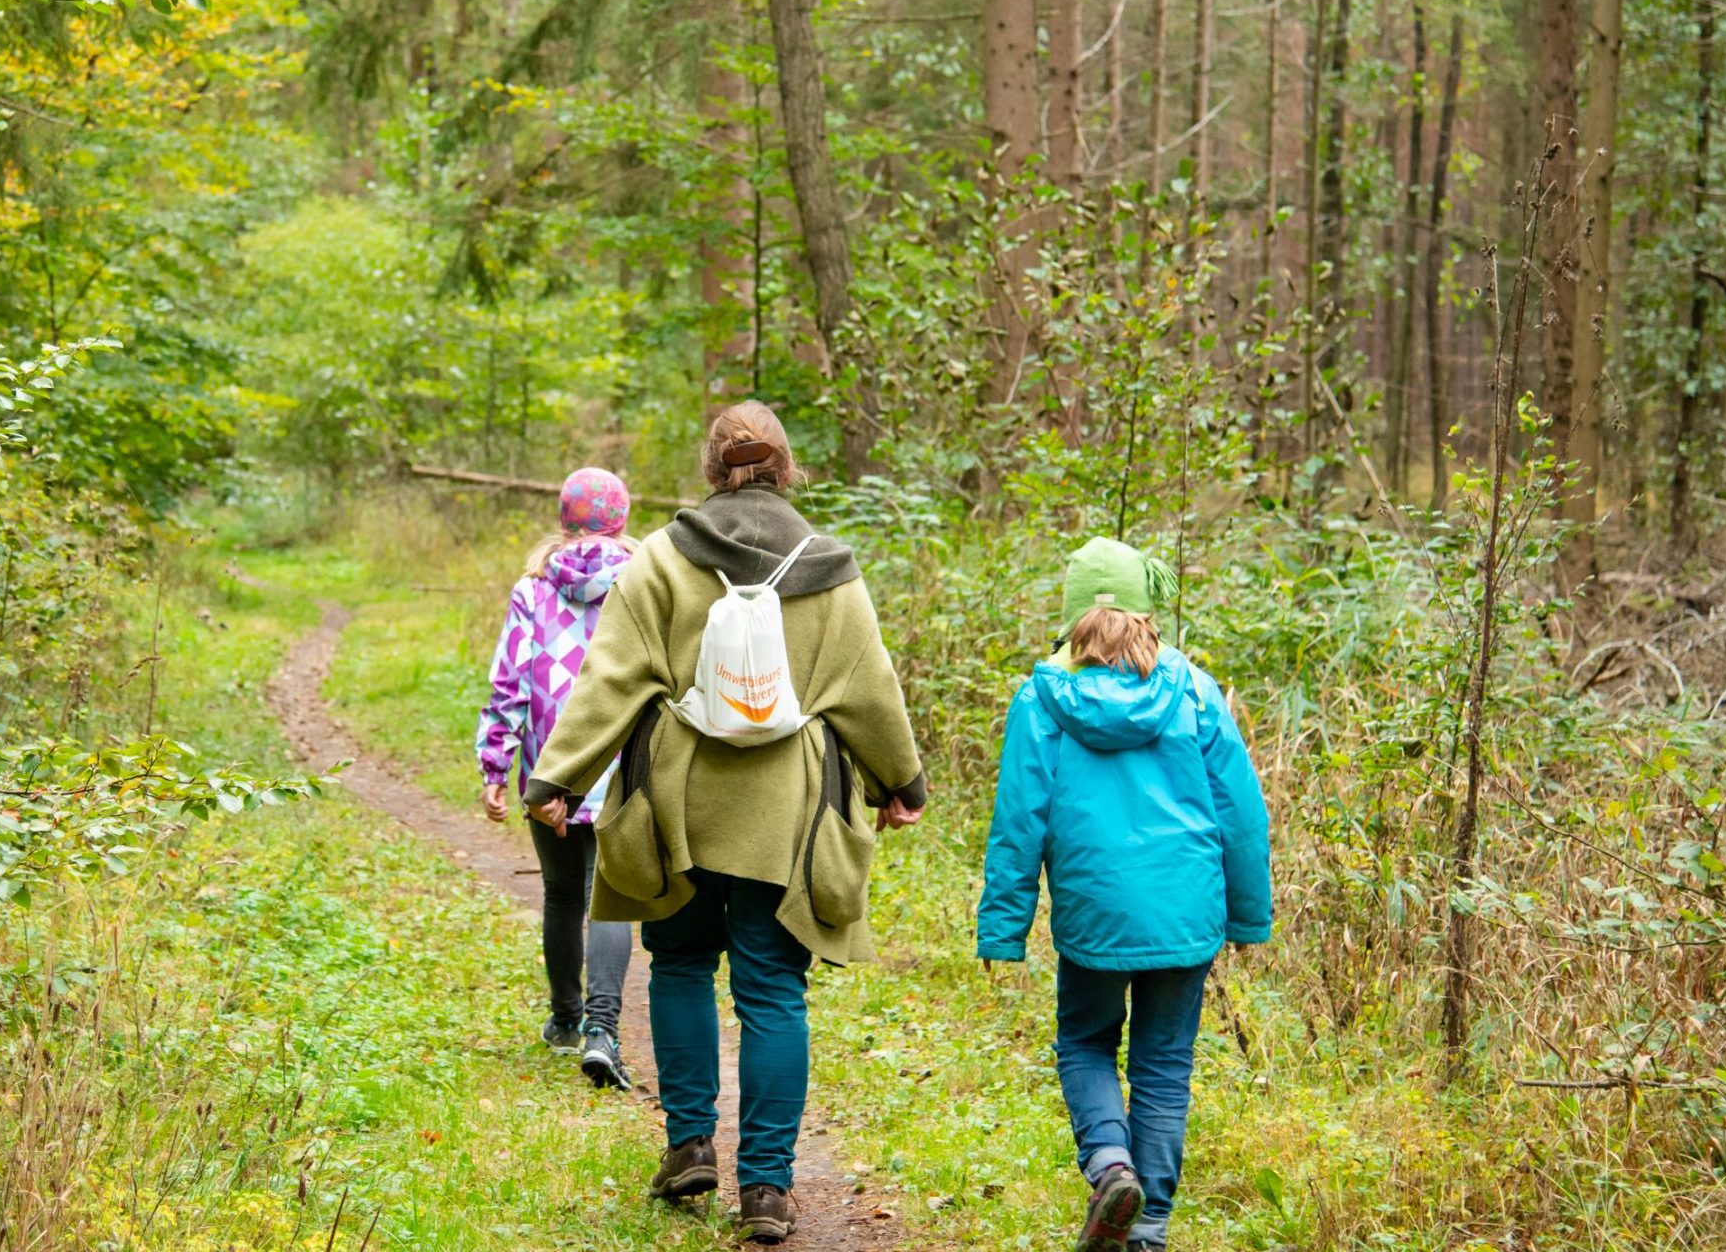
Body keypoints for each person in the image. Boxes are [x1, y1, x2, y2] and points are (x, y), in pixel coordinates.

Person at [523, 402, 926, 1245]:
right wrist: (902, 782)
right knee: (774, 990)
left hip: (679, 805)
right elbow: (869, 686)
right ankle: (769, 1191)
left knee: (678, 966)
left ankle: (690, 1145)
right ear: (788, 469)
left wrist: (559, 776)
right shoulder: (831, 566)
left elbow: (612, 678)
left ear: (712, 470)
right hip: (787, 815)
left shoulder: (665, 558)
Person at [974, 537, 1274, 1252]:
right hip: (1186, 912)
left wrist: (1002, 927)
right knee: (1165, 1067)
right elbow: (1241, 815)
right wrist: (1247, 915)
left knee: (1084, 1042)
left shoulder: (1041, 698)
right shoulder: (1195, 689)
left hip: (1094, 914)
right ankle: (1150, 1226)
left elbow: (1019, 823)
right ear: (1147, 611)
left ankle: (1111, 1167)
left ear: (1073, 612)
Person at [477, 467, 640, 1089]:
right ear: (622, 519)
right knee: (610, 895)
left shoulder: (535, 587)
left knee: (563, 894)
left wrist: (497, 764)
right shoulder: (645, 581)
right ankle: (602, 1030)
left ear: (563, 517)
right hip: (622, 761)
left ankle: (567, 1019)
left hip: (550, 765)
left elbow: (510, 683)